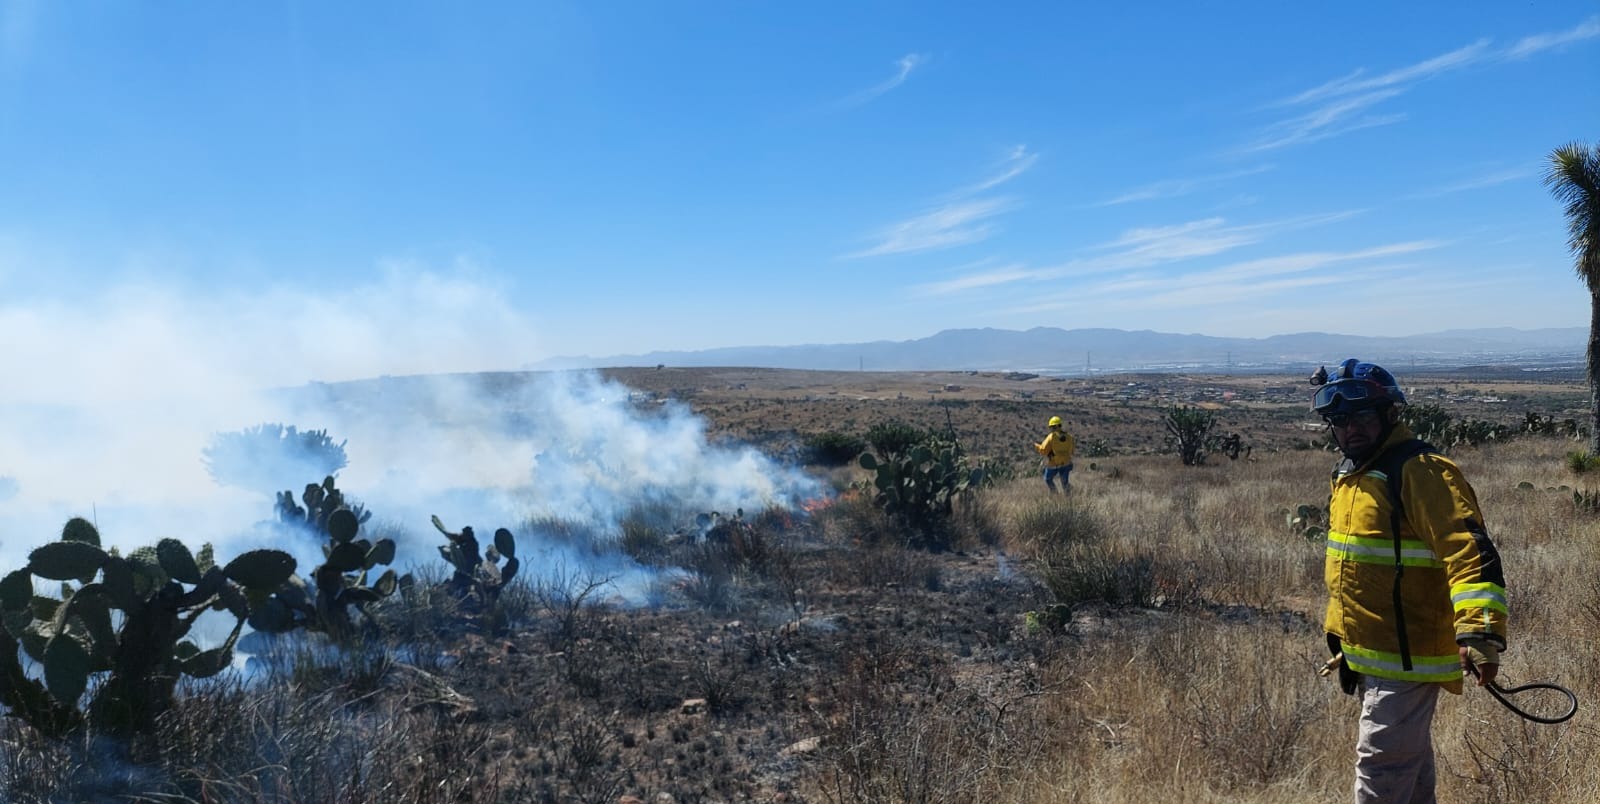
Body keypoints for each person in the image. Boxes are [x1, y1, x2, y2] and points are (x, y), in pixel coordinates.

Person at [1312, 359, 1508, 804]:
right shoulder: (1352, 476)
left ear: (1389, 415)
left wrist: (1480, 632)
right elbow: (1362, 572)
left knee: (1380, 768)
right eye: (1339, 421)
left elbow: (1470, 553)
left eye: (1362, 417)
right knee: (1409, 769)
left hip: (1408, 658)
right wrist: (1345, 640)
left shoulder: (1419, 470)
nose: (1350, 430)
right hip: (1374, 656)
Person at [1034, 415, 1076, 493]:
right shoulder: (1069, 437)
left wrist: (1036, 446)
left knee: (1048, 479)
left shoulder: (1051, 437)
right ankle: (1069, 497)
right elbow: (1072, 451)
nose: (1051, 429)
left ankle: (1055, 494)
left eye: (1051, 427)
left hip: (1054, 464)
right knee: (1064, 483)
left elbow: (1043, 450)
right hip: (1066, 463)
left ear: (1054, 426)